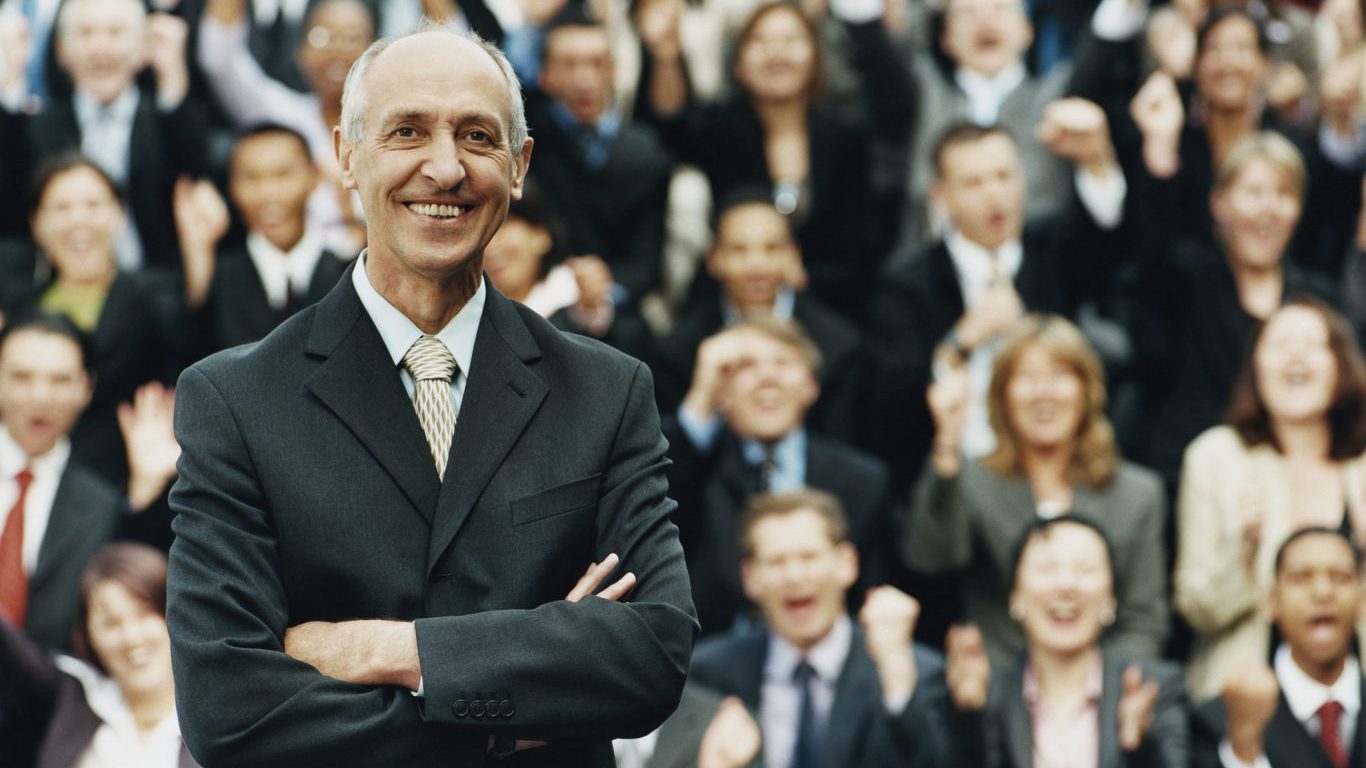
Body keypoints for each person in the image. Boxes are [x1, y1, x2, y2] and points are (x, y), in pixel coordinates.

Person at [165, 25, 696, 767]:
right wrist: (509, 718)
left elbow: (652, 655)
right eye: (407, 131)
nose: (444, 168)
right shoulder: (234, 399)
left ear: (519, 167)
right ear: (347, 156)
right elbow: (228, 708)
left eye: (476, 136)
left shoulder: (607, 391)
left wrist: (388, 650)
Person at [869, 119, 1129, 489]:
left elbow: (1109, 231)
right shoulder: (908, 283)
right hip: (958, 472)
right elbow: (892, 407)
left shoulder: (1053, 249)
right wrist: (961, 339)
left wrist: (1096, 158)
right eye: (973, 183)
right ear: (940, 196)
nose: (994, 194)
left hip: (1056, 467)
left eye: (1005, 176)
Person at [903, 314, 1168, 666]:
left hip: (1101, 696)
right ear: (1002, 395)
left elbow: (1143, 622)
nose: (1044, 393)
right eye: (1027, 377)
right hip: (998, 692)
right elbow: (930, 558)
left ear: (1087, 390)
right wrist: (948, 443)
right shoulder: (973, 479)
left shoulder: (1137, 493)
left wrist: (1097, 699)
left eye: (1060, 376)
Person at [1175, 298, 1366, 701]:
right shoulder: (1215, 458)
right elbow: (1197, 610)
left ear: (1341, 364)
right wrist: (1242, 549)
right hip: (1248, 696)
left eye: (1312, 343)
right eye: (1279, 344)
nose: (1295, 356)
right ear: (1255, 367)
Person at [689, 489, 951, 767]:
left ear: (847, 563)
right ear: (750, 578)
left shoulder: (917, 674)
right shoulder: (708, 674)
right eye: (777, 562)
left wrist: (898, 686)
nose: (794, 576)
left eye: (809, 557)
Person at [666, 318, 894, 635]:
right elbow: (652, 506)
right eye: (745, 366)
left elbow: (870, 597)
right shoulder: (691, 470)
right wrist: (701, 401)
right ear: (720, 388)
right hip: (709, 667)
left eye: (783, 362)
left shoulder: (861, 481)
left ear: (812, 386)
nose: (767, 377)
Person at [945, 516, 1188, 768]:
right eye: (1047, 568)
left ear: (1111, 599)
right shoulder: (988, 695)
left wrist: (1141, 748)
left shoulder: (1154, 690)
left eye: (1085, 569)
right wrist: (968, 721)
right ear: (1015, 596)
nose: (1066, 585)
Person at [0, 156, 175, 487]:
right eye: (61, 208)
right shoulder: (18, 306)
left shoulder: (158, 299)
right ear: (37, 223)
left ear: (119, 214)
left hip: (127, 478)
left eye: (93, 204)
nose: (78, 219)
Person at [0, 0, 209, 272]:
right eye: (85, 33)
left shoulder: (168, 122)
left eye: (115, 32)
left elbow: (197, 178)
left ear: (145, 48)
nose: (100, 47)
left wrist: (173, 78)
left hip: (154, 287)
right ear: (61, 50)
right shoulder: (36, 127)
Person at [654, 192, 867, 446]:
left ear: (794, 256)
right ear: (713, 259)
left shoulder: (838, 345)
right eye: (738, 249)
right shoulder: (677, 350)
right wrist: (700, 407)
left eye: (772, 248)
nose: (756, 265)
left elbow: (843, 456)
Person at [523, 5, 673, 310]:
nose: (585, 78)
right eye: (569, 64)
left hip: (617, 303)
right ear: (545, 75)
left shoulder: (645, 154)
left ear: (614, 70)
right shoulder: (524, 144)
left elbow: (647, 262)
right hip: (538, 298)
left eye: (597, 63)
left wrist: (606, 290)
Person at [0, 542, 198, 768]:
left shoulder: (215, 719)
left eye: (145, 613)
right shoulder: (71, 697)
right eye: (111, 623)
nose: (132, 637)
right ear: (87, 635)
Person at [1191, 527, 1366, 768]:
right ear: (1271, 601)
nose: (1322, 592)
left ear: (1362, 600)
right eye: (1301, 577)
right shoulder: (1219, 720)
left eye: (1339, 577)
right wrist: (1244, 750)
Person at [175, 123, 350, 358]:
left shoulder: (350, 271)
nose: (268, 193)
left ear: (314, 176)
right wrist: (197, 256)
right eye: (251, 178)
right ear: (232, 187)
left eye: (283, 174)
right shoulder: (216, 278)